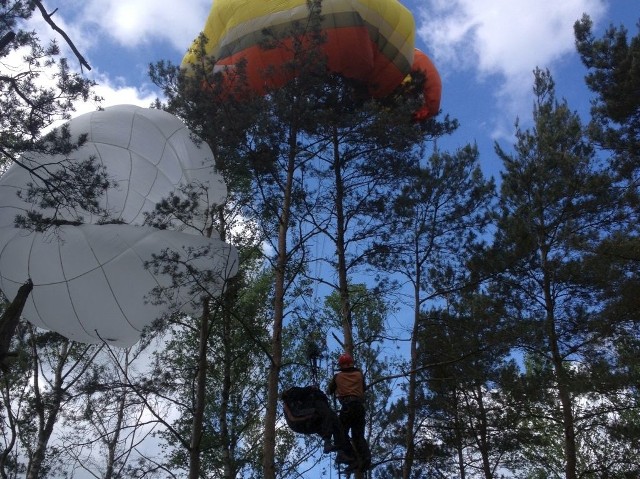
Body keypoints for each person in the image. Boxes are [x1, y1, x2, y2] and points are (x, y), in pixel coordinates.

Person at [328, 352, 371, 472]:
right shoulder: (359, 374)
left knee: (339, 432)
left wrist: (338, 384)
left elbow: (330, 391)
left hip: (347, 406)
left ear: (341, 366)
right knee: (358, 436)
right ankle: (365, 457)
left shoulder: (338, 377)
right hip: (359, 407)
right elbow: (364, 387)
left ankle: (350, 457)